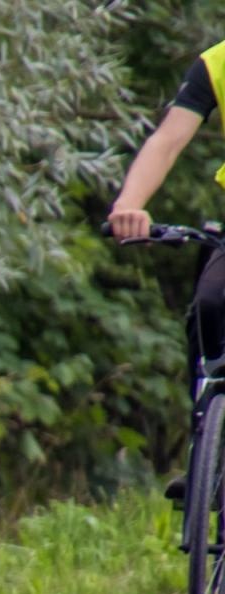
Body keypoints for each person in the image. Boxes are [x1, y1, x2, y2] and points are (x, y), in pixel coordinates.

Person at [110, 41, 225, 498]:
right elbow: (167, 140)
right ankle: (209, 448)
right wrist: (130, 203)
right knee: (210, 303)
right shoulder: (217, 64)